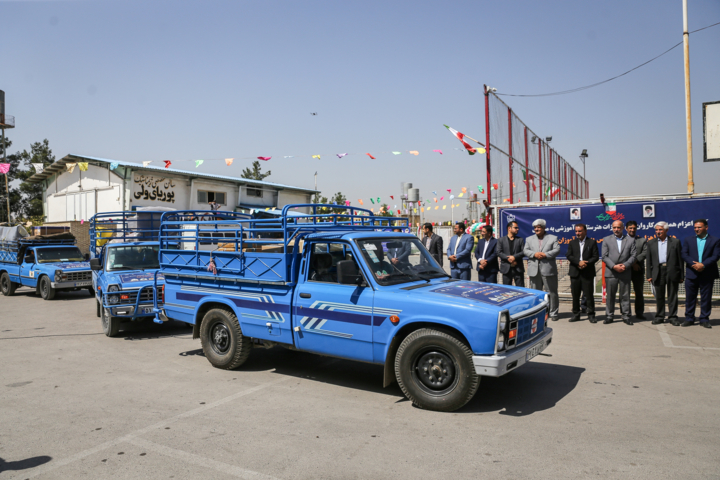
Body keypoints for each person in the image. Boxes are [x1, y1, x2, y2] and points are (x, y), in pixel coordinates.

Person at [680, 219, 720, 328]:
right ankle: (689, 318)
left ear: (706, 228)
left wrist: (703, 265)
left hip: (707, 273)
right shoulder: (688, 240)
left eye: (699, 227)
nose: (696, 229)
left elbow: (715, 256)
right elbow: (684, 254)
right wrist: (694, 265)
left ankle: (704, 319)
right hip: (692, 273)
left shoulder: (715, 240)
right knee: (690, 298)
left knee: (706, 298)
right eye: (695, 227)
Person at [646, 222, 683, 326]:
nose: (658, 232)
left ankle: (673, 317)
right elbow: (648, 260)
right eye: (657, 230)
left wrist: (681, 275)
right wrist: (649, 275)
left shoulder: (675, 242)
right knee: (659, 296)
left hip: (672, 271)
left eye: (660, 230)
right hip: (658, 272)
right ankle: (659, 316)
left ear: (666, 230)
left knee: (672, 295)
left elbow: (680, 260)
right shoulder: (651, 243)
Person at [524, 219, 560, 320]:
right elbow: (525, 250)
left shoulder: (552, 238)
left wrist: (545, 255)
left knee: (551, 292)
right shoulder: (529, 239)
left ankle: (553, 313)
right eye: (535, 227)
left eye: (538, 227)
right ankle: (537, 313)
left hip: (548, 269)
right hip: (534, 270)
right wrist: (534, 254)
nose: (536, 229)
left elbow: (557, 250)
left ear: (544, 228)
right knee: (536, 293)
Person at [602, 220, 637, 325]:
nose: (616, 230)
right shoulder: (607, 240)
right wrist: (614, 266)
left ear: (623, 228)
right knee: (610, 296)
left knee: (625, 295)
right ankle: (609, 315)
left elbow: (633, 255)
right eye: (614, 227)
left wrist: (625, 265)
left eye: (618, 227)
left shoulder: (630, 240)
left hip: (624, 271)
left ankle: (626, 316)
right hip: (611, 272)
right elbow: (604, 256)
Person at [566, 224, 599, 323]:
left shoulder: (592, 242)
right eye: (576, 231)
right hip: (575, 272)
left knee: (589, 295)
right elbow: (569, 255)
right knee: (575, 295)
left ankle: (591, 315)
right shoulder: (572, 242)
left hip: (587, 272)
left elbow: (595, 256)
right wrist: (578, 262)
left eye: (580, 231)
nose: (578, 233)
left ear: (585, 231)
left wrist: (586, 263)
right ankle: (576, 314)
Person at [626, 221, 648, 320]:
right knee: (625, 292)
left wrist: (635, 262)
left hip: (638, 270)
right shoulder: (622, 240)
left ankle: (639, 313)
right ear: (626, 229)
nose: (632, 230)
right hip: (625, 270)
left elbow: (645, 253)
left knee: (639, 292)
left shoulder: (642, 240)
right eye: (630, 228)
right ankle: (626, 313)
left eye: (634, 228)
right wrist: (631, 264)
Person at [498, 221, 525, 286]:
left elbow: (524, 252)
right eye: (515, 228)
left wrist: (514, 257)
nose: (517, 229)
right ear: (509, 228)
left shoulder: (520, 240)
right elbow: (499, 252)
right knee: (507, 290)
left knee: (521, 290)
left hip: (518, 268)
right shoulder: (501, 240)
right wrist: (509, 259)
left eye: (517, 228)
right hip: (506, 269)